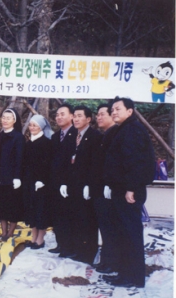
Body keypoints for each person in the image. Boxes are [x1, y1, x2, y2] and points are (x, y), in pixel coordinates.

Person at [102, 97, 155, 288]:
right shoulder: (123, 129)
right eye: (112, 109)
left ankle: (133, 277)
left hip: (129, 191)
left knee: (130, 234)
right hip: (121, 189)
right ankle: (124, 273)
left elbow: (136, 162)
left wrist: (131, 188)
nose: (113, 112)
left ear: (130, 111)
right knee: (123, 233)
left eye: (118, 109)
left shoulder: (133, 129)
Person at [60, 105, 101, 264]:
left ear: (88, 119)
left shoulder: (95, 136)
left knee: (88, 219)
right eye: (74, 116)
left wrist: (89, 184)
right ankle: (76, 249)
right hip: (72, 185)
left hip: (86, 186)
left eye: (79, 116)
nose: (75, 119)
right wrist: (63, 182)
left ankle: (88, 252)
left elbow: (95, 164)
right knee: (75, 217)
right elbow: (64, 161)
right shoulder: (71, 136)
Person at [90, 103, 120, 274]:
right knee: (105, 228)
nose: (99, 117)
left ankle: (111, 262)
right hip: (99, 189)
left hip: (108, 190)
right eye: (98, 114)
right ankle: (106, 260)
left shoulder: (115, 134)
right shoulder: (104, 136)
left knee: (110, 229)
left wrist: (108, 184)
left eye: (103, 114)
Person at [0, 109, 24, 242]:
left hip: (12, 178)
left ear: (14, 121)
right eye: (3, 117)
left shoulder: (18, 137)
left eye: (8, 118)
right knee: (0, 206)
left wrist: (17, 176)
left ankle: (10, 233)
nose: (5, 120)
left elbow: (20, 158)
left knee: (12, 206)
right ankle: (3, 232)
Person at [48, 104, 77, 255]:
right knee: (57, 214)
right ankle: (61, 244)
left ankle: (70, 247)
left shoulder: (77, 134)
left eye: (62, 114)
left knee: (69, 215)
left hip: (70, 184)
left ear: (72, 116)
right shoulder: (54, 136)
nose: (59, 117)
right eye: (57, 114)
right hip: (55, 183)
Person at [22, 114, 52, 249]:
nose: (32, 127)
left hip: (41, 184)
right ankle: (33, 237)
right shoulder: (28, 143)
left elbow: (48, 164)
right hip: (29, 182)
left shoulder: (46, 143)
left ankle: (40, 239)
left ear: (41, 127)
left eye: (35, 125)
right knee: (31, 210)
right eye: (31, 125)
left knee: (41, 211)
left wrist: (42, 180)